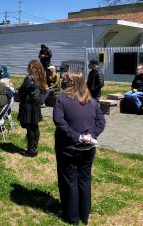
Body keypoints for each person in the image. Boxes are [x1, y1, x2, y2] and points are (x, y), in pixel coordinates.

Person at [53, 70, 105, 225]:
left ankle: (73, 216)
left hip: (68, 148)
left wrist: (83, 136)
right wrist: (91, 135)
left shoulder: (62, 99)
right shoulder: (91, 100)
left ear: (73, 82)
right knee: (84, 179)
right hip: (87, 148)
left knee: (69, 180)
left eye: (66, 79)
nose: (63, 80)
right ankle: (84, 215)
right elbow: (100, 122)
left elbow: (59, 122)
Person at [17, 59, 48, 157]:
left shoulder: (30, 78)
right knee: (35, 127)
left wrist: (19, 93)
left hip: (28, 106)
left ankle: (31, 149)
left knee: (30, 128)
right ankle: (34, 147)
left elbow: (22, 91)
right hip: (35, 106)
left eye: (28, 66)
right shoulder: (40, 77)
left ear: (32, 68)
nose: (27, 67)